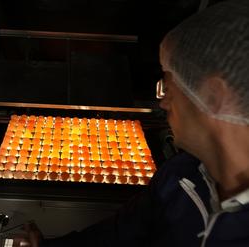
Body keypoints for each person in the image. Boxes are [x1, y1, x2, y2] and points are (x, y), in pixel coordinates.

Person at [23, 0, 249, 246]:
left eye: (168, 83)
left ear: (214, 95)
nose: (162, 102)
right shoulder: (180, 175)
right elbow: (120, 234)